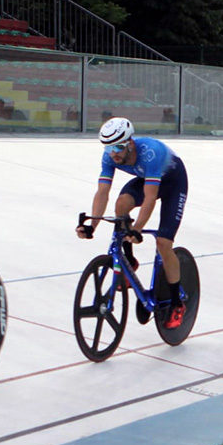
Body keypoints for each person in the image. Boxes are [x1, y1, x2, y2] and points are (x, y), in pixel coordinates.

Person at [77, 117, 190, 329]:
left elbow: (150, 199)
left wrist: (137, 229)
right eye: (109, 147)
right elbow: (103, 192)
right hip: (146, 177)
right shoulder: (110, 157)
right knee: (121, 205)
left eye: (118, 147)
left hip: (173, 183)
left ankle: (177, 303)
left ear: (130, 143)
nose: (114, 153)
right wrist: (92, 225)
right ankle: (129, 260)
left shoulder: (151, 153)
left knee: (164, 244)